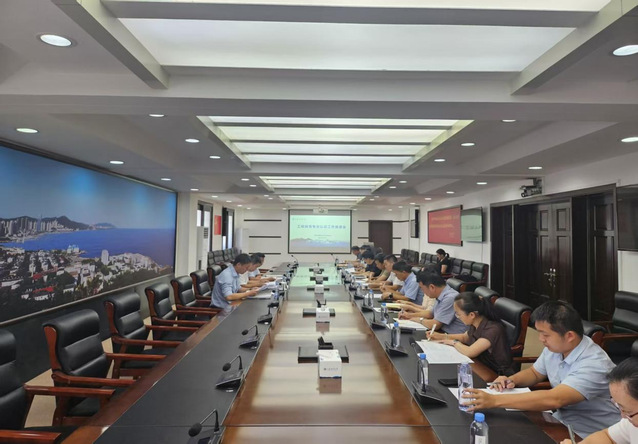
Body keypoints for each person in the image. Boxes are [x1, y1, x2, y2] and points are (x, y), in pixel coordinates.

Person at [465, 300, 619, 438]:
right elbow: (534, 373)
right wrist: (511, 380)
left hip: (590, 434)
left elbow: (555, 399)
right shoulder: (557, 348)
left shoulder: (594, 364)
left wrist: (494, 400)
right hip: (559, 421)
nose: (540, 339)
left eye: (545, 335)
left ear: (569, 336)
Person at [429, 292, 514, 375]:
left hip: (498, 373)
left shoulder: (493, 330)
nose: (457, 317)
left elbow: (470, 352)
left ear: (472, 315)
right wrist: (442, 336)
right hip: (480, 364)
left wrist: (454, 342)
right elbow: (464, 337)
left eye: (458, 314)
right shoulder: (476, 323)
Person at [560, 357, 638, 444]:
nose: (622, 416)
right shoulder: (630, 422)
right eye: (618, 406)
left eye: (628, 411)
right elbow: (606, 436)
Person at [399, 269, 467, 334]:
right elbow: (431, 313)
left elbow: (435, 324)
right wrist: (409, 315)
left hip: (450, 335)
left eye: (422, 288)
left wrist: (418, 319)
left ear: (432, 287)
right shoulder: (441, 294)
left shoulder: (449, 298)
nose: (423, 292)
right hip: (442, 332)